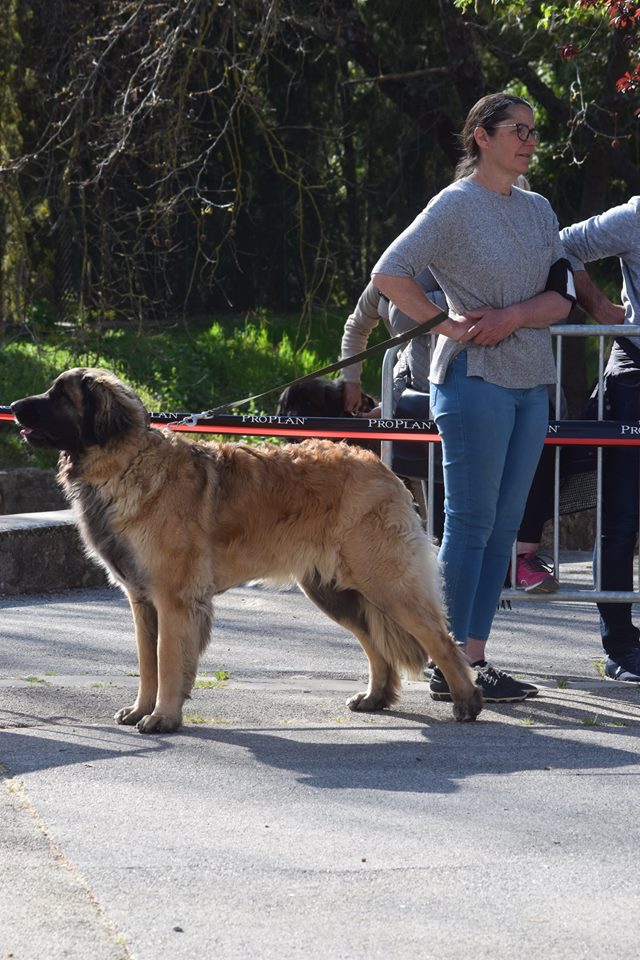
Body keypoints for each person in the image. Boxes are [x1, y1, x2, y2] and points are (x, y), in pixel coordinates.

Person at [371, 91, 574, 703]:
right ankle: (444, 659)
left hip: (530, 381)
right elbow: (389, 273)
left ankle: (474, 659)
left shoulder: (538, 209)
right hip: (473, 381)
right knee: (469, 523)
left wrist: (513, 316)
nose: (530, 140)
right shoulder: (455, 205)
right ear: (481, 137)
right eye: (518, 129)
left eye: (535, 131)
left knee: (505, 527)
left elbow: (561, 293)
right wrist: (445, 324)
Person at [561, 199, 640, 683]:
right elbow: (562, 245)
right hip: (635, 373)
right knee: (622, 515)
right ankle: (621, 644)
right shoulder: (635, 217)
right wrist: (602, 308)